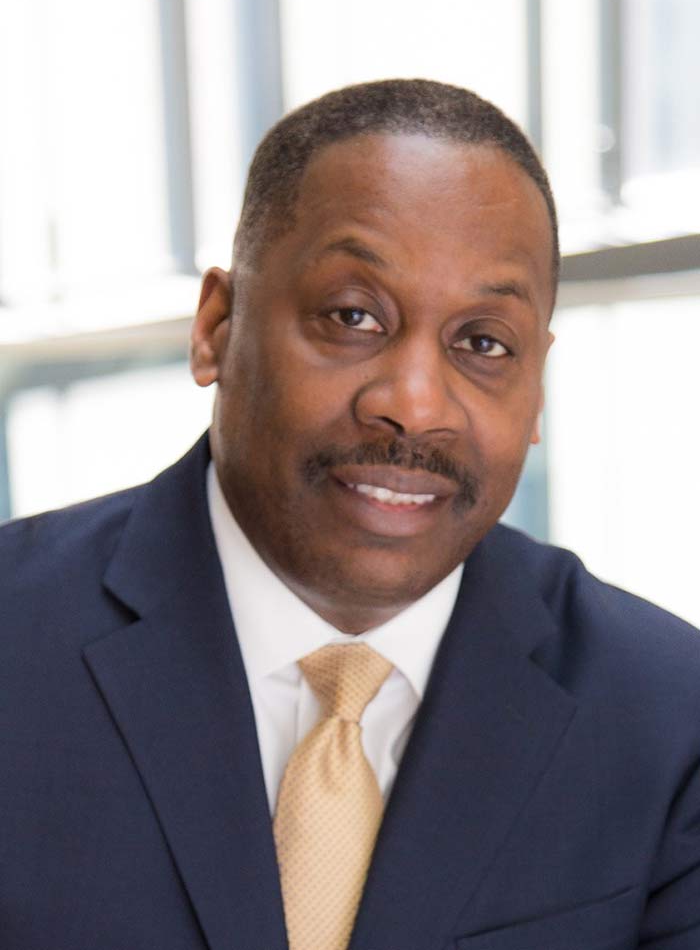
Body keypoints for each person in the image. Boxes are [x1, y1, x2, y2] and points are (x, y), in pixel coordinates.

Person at [1, 78, 699, 950]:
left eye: (483, 343)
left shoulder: (669, 717)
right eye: (353, 316)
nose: (414, 405)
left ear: (538, 381)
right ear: (217, 325)